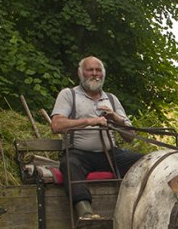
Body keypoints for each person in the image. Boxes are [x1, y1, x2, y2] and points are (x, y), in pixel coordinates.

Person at [49, 56, 143, 219]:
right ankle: (85, 213)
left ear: (103, 74)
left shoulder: (111, 99)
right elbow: (56, 125)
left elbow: (130, 136)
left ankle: (139, 209)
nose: (95, 74)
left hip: (109, 154)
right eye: (90, 70)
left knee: (144, 162)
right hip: (79, 154)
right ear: (81, 74)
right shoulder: (69, 94)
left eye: (98, 70)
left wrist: (115, 118)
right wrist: (88, 121)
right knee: (69, 164)